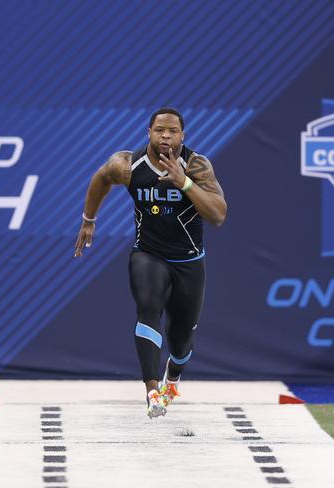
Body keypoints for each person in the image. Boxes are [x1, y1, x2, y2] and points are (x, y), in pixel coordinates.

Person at [74, 107, 227, 418]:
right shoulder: (128, 164)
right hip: (149, 254)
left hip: (189, 261)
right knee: (148, 305)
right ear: (149, 133)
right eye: (159, 130)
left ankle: (173, 377)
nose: (165, 136)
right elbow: (101, 178)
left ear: (183, 136)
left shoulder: (197, 165)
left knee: (181, 340)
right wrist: (89, 219)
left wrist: (185, 184)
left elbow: (218, 214)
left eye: (172, 130)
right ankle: (152, 390)